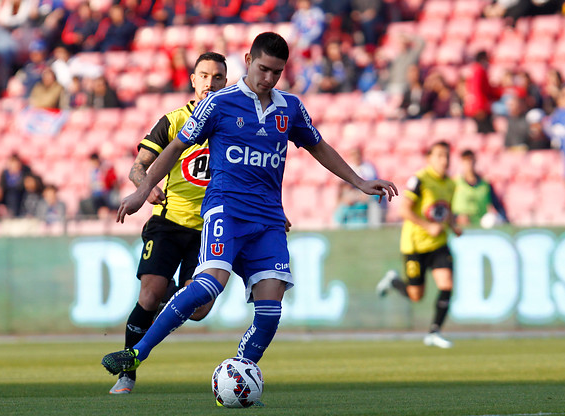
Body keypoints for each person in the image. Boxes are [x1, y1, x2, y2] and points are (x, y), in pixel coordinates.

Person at [101, 33, 397, 389]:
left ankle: (238, 376)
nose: (269, 79)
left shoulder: (290, 107)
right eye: (263, 69)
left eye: (277, 72)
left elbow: (319, 146)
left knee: (271, 310)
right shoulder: (220, 103)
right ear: (247, 60)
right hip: (225, 210)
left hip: (269, 220)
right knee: (209, 285)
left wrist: (360, 182)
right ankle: (137, 355)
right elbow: (176, 146)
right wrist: (143, 189)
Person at [107, 52, 228, 395]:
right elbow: (137, 166)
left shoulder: (233, 124)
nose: (209, 82)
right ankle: (127, 373)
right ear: (192, 80)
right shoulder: (174, 121)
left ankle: (170, 303)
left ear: (225, 82)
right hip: (168, 222)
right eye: (203, 75)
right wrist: (146, 187)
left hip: (209, 227)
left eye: (217, 77)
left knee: (200, 310)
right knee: (150, 293)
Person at [376, 141, 460, 349]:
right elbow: (404, 211)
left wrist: (453, 225)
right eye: (439, 155)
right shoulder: (419, 180)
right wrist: (427, 226)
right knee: (416, 295)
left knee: (446, 284)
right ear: (429, 158)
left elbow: (444, 210)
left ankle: (434, 332)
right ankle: (394, 281)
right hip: (415, 245)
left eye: (447, 156)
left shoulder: (451, 183)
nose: (444, 160)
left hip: (438, 243)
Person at [452, 149, 509, 227]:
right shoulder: (455, 183)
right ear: (462, 162)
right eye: (466, 161)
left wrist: (505, 220)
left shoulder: (485, 184)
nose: (469, 164)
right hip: (460, 228)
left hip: (480, 228)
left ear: (475, 161)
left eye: (471, 160)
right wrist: (457, 217)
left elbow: (497, 205)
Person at [464, 51, 500, 134]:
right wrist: (480, 107)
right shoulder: (479, 70)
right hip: (479, 107)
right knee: (487, 132)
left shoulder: (474, 69)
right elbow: (477, 89)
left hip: (476, 106)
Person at [78, 152, 120, 218]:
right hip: (95, 195)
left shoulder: (104, 169)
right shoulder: (90, 172)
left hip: (105, 194)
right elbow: (89, 185)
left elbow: (107, 183)